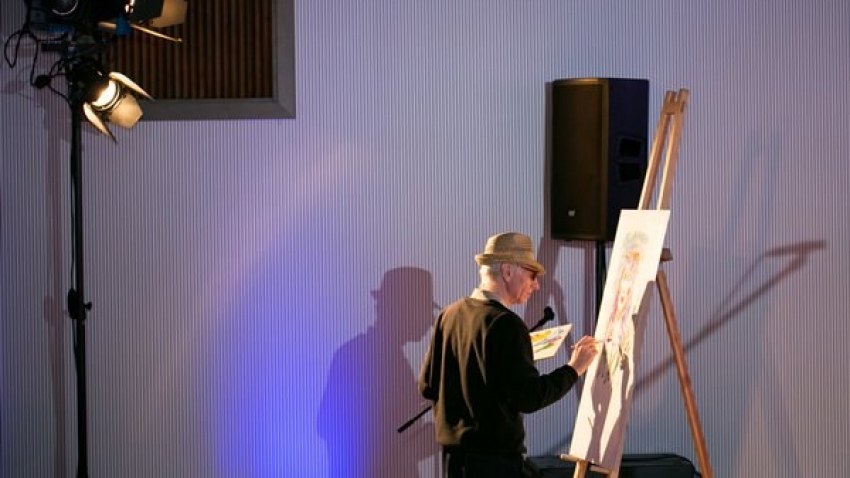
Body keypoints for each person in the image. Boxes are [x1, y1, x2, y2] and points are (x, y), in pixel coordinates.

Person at [418, 232, 600, 478]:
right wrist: (574, 368)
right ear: (507, 271)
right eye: (532, 275)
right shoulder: (506, 324)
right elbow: (529, 398)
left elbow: (427, 386)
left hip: (453, 460)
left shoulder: (449, 315)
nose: (536, 285)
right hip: (494, 463)